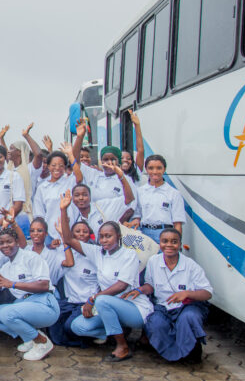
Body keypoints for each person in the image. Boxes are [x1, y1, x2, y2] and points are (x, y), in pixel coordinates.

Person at [61, 191, 153, 361]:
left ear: (118, 236)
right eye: (102, 237)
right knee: (77, 326)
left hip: (133, 309)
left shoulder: (129, 255)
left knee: (102, 300)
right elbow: (68, 239)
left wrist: (93, 298)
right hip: (107, 308)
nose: (104, 240)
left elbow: (121, 286)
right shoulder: (97, 252)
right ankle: (116, 332)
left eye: (108, 236)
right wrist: (63, 210)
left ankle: (122, 346)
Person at [127, 228, 213, 362]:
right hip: (163, 306)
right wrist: (140, 290)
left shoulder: (191, 265)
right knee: (155, 322)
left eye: (174, 242)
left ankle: (191, 351)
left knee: (188, 317)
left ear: (179, 244)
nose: (169, 245)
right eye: (165, 241)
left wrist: (187, 293)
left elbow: (207, 293)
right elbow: (150, 285)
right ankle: (172, 352)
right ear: (160, 243)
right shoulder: (153, 261)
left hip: (187, 306)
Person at [0, 230, 59, 361]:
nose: (5, 245)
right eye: (1, 243)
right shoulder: (6, 267)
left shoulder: (31, 257)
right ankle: (29, 338)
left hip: (45, 304)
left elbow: (44, 285)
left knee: (7, 313)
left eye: (9, 241)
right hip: (22, 305)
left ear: (17, 242)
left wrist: (13, 284)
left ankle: (42, 342)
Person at [49, 218, 99, 347]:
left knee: (69, 326)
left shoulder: (96, 254)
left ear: (90, 235)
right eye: (77, 231)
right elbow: (69, 262)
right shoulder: (64, 252)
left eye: (85, 231)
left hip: (88, 302)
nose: (81, 234)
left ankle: (100, 334)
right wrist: (62, 238)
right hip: (71, 301)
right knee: (54, 327)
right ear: (72, 235)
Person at [128, 155, 186, 244]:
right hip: (144, 233)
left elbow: (177, 223)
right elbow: (137, 216)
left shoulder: (173, 193)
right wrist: (136, 220)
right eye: (151, 168)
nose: (155, 172)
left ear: (164, 169)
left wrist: (176, 243)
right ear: (146, 169)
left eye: (159, 168)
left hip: (165, 234)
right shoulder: (139, 192)